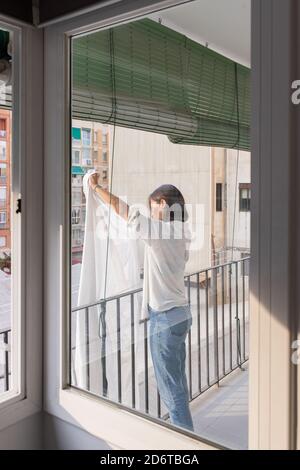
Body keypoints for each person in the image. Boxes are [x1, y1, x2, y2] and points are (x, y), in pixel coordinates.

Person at [89, 173, 194, 432]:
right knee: (177, 381)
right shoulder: (182, 231)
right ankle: (187, 432)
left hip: (165, 319)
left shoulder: (160, 232)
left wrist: (95, 187)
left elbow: (120, 209)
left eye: (152, 206)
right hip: (181, 313)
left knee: (170, 391)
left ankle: (186, 441)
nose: (150, 211)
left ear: (162, 203)